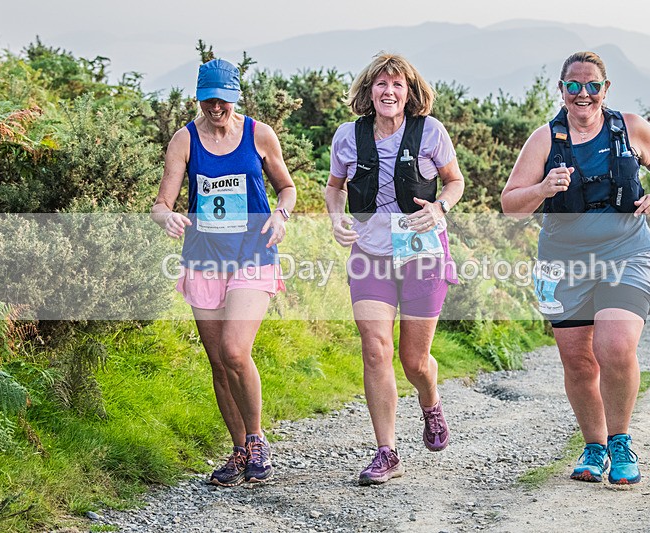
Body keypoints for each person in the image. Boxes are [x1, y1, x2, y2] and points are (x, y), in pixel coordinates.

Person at [501, 51, 650, 485]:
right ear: (561, 90)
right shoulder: (545, 140)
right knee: (578, 360)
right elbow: (510, 206)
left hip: (627, 252)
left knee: (615, 346)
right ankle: (594, 446)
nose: (583, 94)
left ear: (605, 89)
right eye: (574, 86)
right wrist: (542, 188)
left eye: (592, 85)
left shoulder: (629, 127)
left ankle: (620, 442)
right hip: (563, 261)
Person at [151, 58, 296, 486]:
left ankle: (257, 439)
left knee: (235, 350)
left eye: (225, 100)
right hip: (204, 257)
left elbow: (286, 188)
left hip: (253, 254)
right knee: (218, 362)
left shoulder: (258, 134)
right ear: (198, 96)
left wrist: (282, 215)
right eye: (209, 99)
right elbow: (162, 204)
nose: (217, 107)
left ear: (237, 97)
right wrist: (168, 218)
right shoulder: (185, 139)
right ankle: (238, 451)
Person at [325, 52, 464, 486]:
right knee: (374, 347)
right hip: (369, 252)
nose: (389, 91)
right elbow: (334, 188)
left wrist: (441, 207)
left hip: (421, 250)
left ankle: (430, 400)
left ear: (409, 93)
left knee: (414, 359)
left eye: (397, 85)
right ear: (368, 91)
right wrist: (336, 219)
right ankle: (387, 452)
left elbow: (455, 181)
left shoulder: (430, 132)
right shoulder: (349, 136)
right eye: (381, 84)